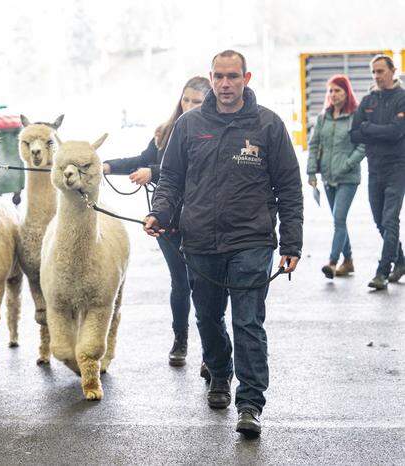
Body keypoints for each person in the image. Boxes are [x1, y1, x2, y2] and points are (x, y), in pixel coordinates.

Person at [143, 50, 303, 438]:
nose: (226, 84)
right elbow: (171, 180)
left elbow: (289, 187)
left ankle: (250, 403)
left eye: (233, 76)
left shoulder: (268, 125)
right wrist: (160, 214)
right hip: (199, 241)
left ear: (246, 78)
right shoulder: (189, 125)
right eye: (219, 76)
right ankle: (219, 374)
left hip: (252, 240)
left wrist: (291, 243)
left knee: (248, 321)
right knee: (208, 318)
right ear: (210, 78)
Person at [102, 77, 211, 377]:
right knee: (180, 283)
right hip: (166, 223)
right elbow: (142, 160)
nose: (190, 106)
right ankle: (180, 340)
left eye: (198, 102)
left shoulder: (211, 133)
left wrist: (154, 172)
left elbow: (189, 170)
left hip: (201, 221)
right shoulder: (164, 133)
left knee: (203, 287)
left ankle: (211, 350)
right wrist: (107, 165)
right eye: (186, 100)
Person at [350, 55, 405, 290]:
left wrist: (368, 128)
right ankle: (401, 261)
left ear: (393, 71)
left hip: (397, 166)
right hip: (374, 167)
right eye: (373, 72)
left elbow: (396, 132)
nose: (377, 76)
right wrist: (372, 131)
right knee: (379, 221)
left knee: (390, 220)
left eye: (381, 71)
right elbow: (354, 134)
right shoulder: (368, 100)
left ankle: (382, 272)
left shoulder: (402, 99)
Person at [307, 75, 365, 279]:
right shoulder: (324, 117)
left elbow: (363, 145)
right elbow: (314, 145)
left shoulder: (356, 116)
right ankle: (348, 261)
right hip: (328, 177)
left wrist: (348, 164)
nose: (333, 95)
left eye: (337, 90)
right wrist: (311, 172)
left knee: (339, 219)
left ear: (346, 92)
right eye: (330, 91)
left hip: (348, 177)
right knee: (338, 221)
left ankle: (332, 262)